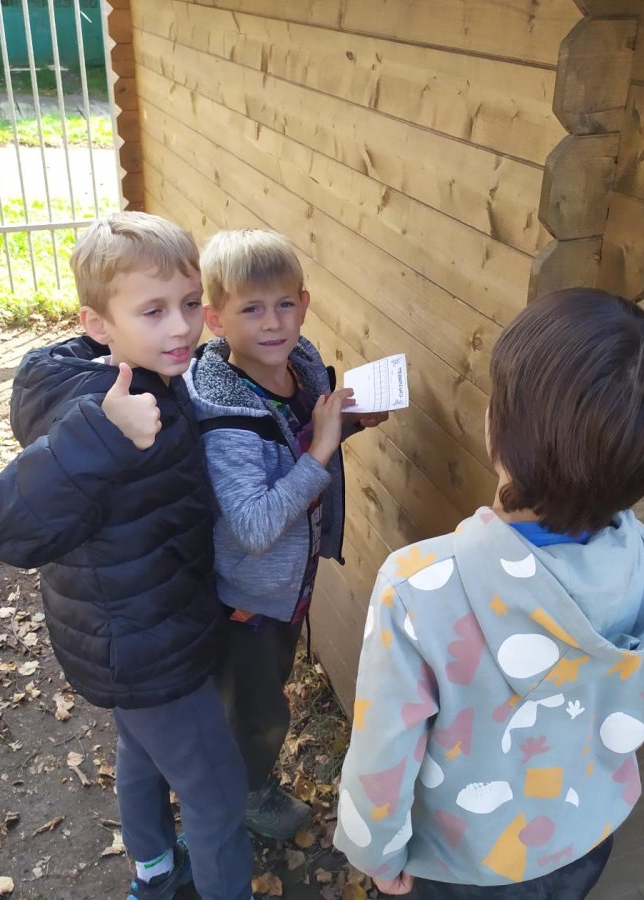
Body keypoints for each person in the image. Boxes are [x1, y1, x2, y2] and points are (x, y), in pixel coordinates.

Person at [333, 289, 644, 898]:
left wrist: (377, 853)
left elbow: (383, 752)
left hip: (463, 864)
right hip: (584, 837)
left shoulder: (419, 586)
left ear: (497, 429)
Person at [0, 211, 259, 900]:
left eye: (189, 303)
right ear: (98, 324)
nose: (182, 327)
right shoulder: (107, 410)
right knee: (218, 797)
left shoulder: (137, 372)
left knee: (142, 754)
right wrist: (104, 432)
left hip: (130, 631)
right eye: (153, 311)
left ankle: (155, 874)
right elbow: (2, 528)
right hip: (147, 645)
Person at [186, 229, 387, 840]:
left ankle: (241, 774)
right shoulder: (228, 419)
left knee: (266, 689)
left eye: (282, 305)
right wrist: (323, 448)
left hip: (288, 584)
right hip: (249, 596)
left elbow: (298, 438)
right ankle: (245, 794)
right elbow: (253, 526)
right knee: (258, 708)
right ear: (216, 320)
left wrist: (345, 424)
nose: (272, 323)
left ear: (303, 303)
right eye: (251, 309)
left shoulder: (298, 367)